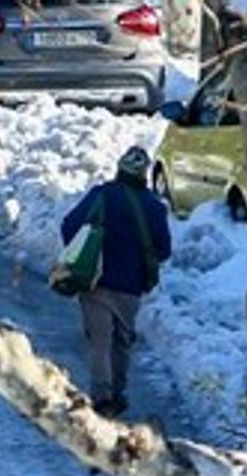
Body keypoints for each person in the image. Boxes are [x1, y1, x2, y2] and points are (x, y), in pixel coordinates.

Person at [60, 146, 172, 418]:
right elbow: (164, 249)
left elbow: (69, 225)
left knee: (99, 340)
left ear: (119, 169)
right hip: (130, 286)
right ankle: (118, 392)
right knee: (122, 341)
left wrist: (83, 254)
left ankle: (102, 395)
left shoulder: (101, 195)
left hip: (95, 280)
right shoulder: (155, 207)